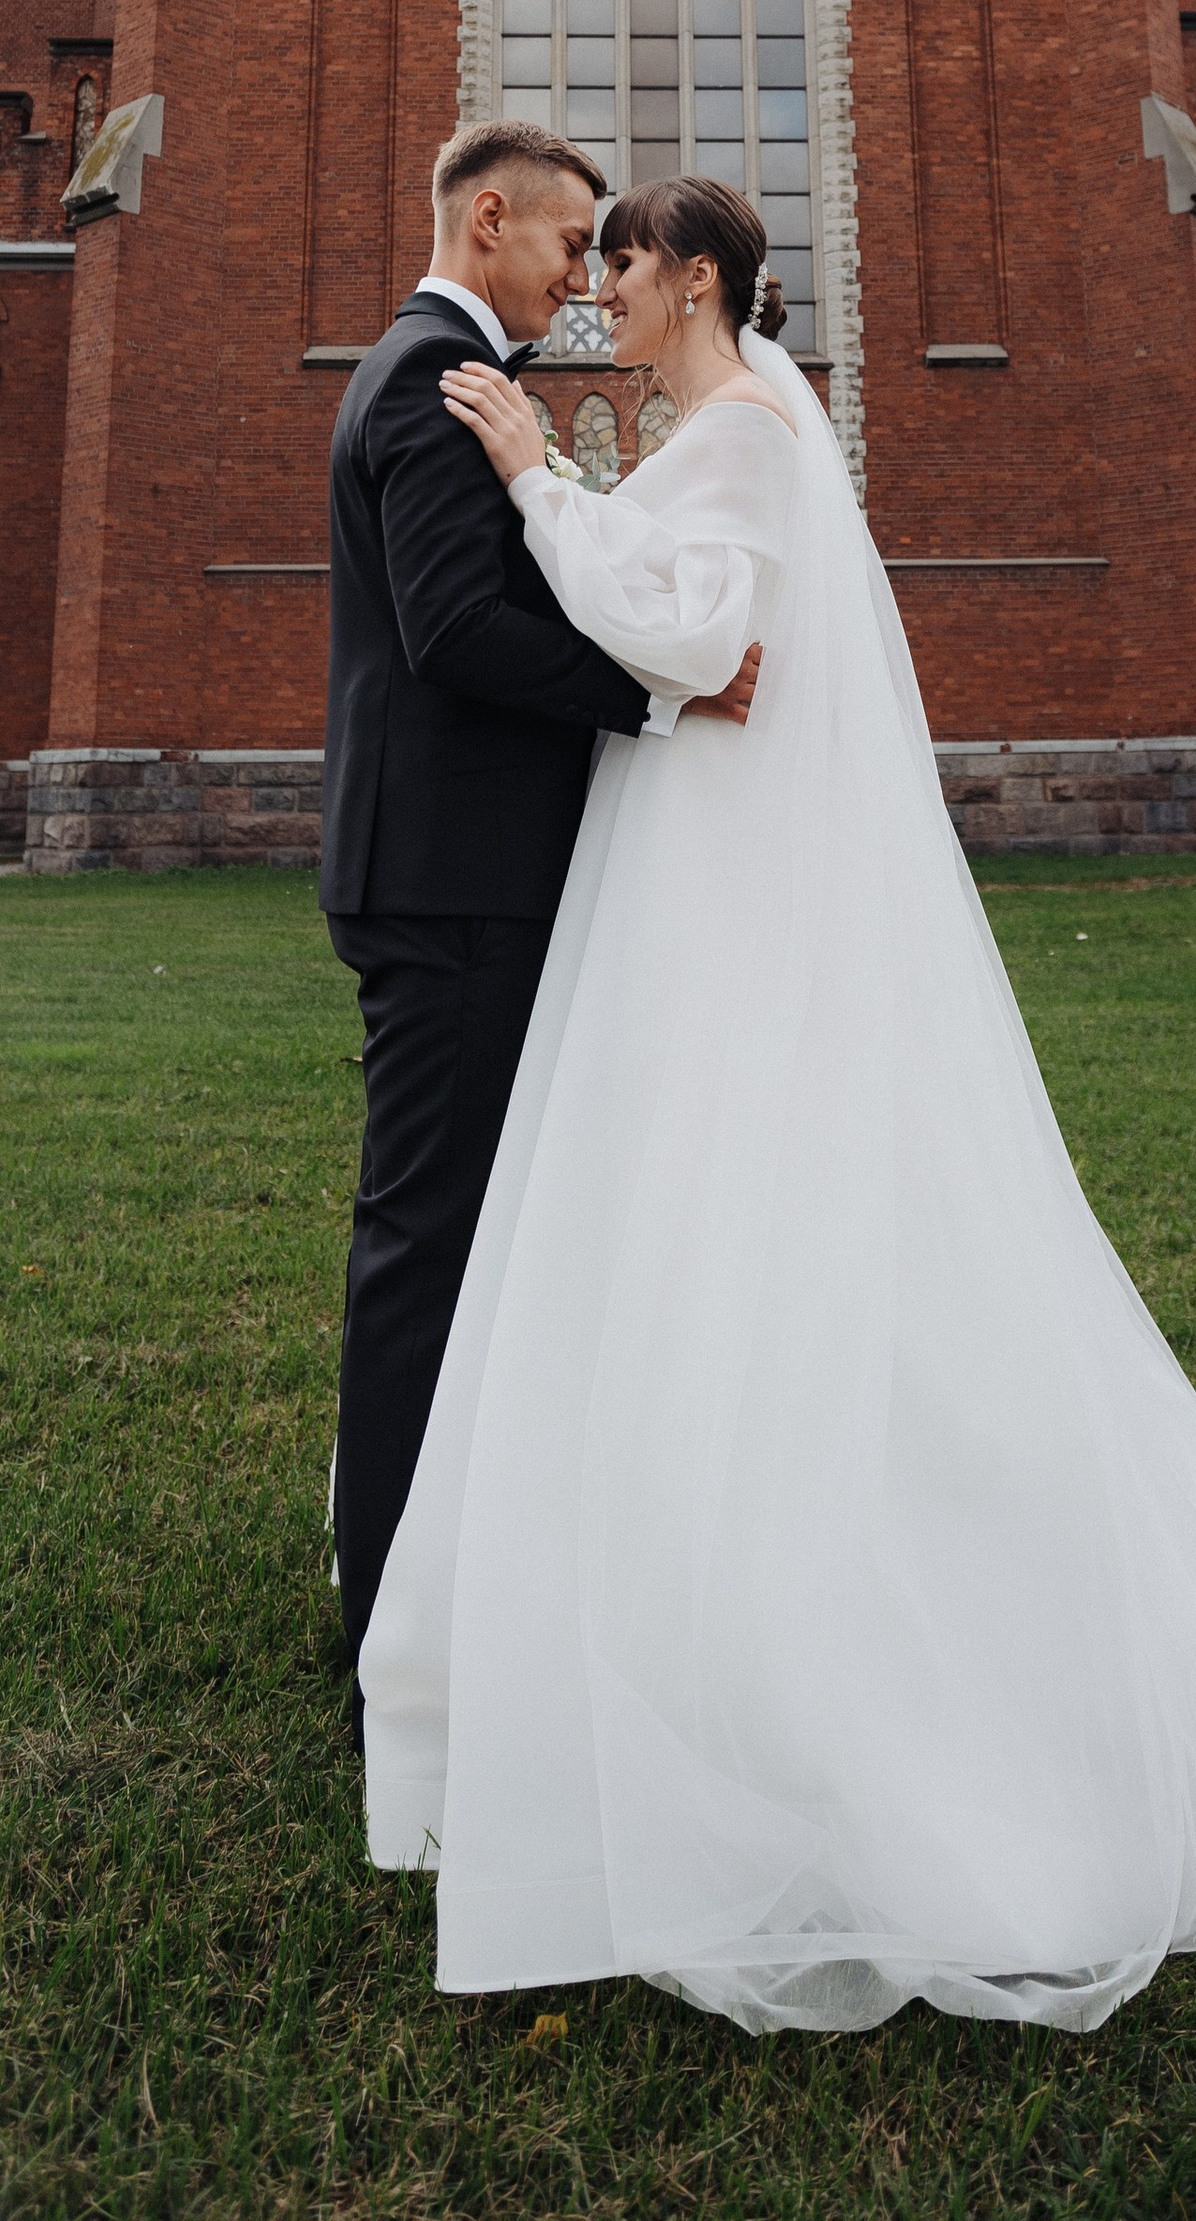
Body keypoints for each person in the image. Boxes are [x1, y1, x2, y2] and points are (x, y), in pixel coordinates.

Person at [357, 171, 1196, 2035]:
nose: (598, 298)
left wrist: (535, 481)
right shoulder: (744, 423)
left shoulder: (744, 428)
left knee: (725, 1167)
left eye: (620, 267)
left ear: (694, 279)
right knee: (694, 1180)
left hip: (716, 860)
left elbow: (687, 634)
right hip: (695, 840)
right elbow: (689, 618)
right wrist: (561, 487)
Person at [322, 123, 759, 1719]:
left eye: (602, 257)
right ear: (488, 219)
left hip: (454, 870)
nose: (583, 278)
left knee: (456, 1236)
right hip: (451, 880)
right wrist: (661, 693)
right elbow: (453, 629)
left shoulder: (447, 375)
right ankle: (389, 1621)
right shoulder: (435, 382)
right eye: (571, 244)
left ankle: (439, 1565)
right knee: (425, 1246)